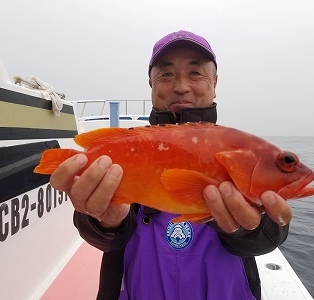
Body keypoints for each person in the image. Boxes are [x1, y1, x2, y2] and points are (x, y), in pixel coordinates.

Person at [50, 30, 292, 300]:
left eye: (195, 73)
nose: (181, 86)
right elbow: (103, 240)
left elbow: (270, 236)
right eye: (166, 74)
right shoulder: (129, 149)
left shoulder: (238, 151)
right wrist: (102, 222)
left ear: (214, 82)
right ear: (151, 84)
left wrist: (253, 228)